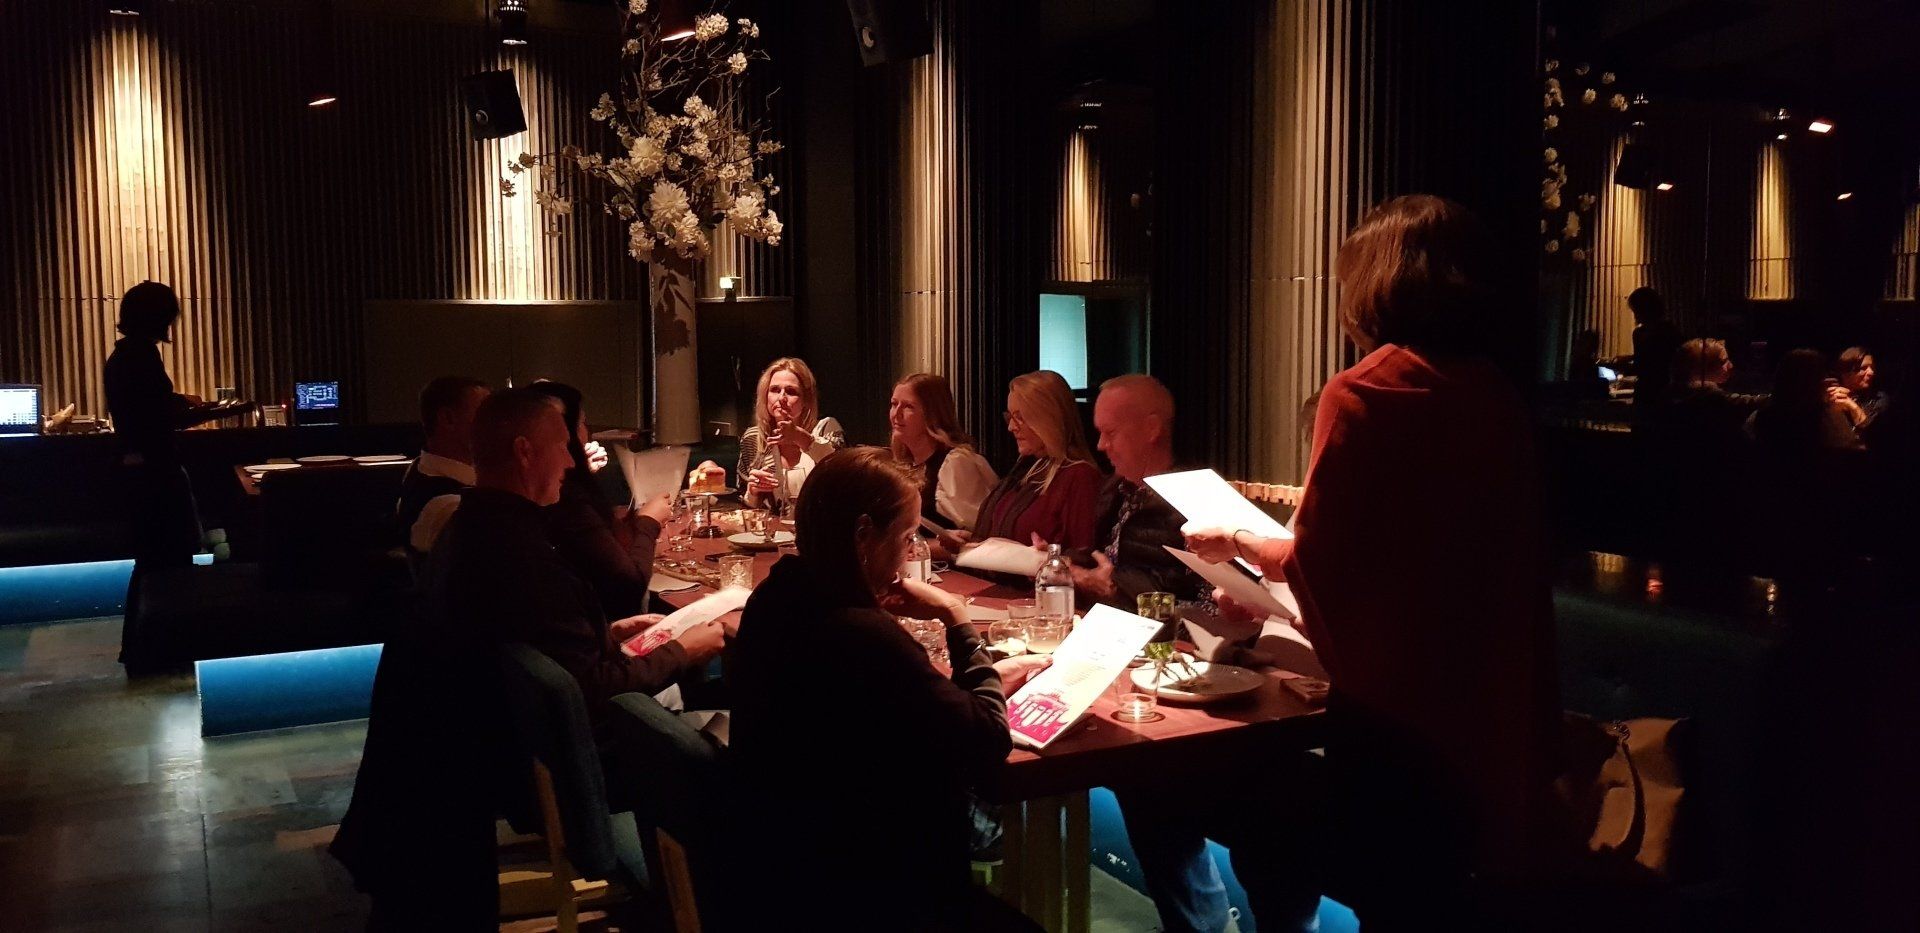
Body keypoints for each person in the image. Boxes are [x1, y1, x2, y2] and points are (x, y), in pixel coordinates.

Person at [1181, 196, 1560, 929]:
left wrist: (1235, 541)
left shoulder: (1364, 390)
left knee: (1304, 843)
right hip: (1488, 697)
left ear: (1372, 282)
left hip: (1398, 710)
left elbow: (1321, 556)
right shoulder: (1495, 391)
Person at [333, 389, 724, 929]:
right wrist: (686, 647)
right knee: (711, 752)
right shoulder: (513, 549)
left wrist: (606, 634)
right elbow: (585, 692)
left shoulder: (479, 527)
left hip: (468, 766)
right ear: (524, 452)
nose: (570, 460)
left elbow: (540, 637)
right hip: (546, 766)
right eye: (562, 446)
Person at [726, 447, 1043, 931]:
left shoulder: (777, 594)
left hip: (782, 866)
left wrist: (976, 681)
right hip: (872, 889)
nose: (911, 552)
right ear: (862, 536)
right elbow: (987, 740)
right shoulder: (859, 633)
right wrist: (956, 617)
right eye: (907, 536)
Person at [104, 281, 227, 668]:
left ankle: (144, 648)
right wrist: (211, 412)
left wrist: (184, 404)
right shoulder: (140, 358)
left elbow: (147, 407)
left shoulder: (127, 356)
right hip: (156, 478)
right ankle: (167, 649)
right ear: (158, 316)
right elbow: (157, 417)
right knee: (169, 562)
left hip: (141, 477)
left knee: (152, 563)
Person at [1055, 374, 1205, 610]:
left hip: (1164, 642)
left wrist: (1110, 586)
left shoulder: (1197, 500)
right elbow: (1103, 558)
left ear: (1151, 429)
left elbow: (1202, 604)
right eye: (1100, 433)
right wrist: (1060, 561)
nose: (1100, 445)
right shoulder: (1115, 488)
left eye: (1111, 433)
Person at [526, 381, 674, 619]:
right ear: (525, 449)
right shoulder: (565, 502)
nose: (571, 460)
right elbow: (628, 588)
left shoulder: (497, 513)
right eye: (582, 423)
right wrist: (649, 521)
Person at [958, 370, 1102, 550]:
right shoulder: (1026, 468)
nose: (1011, 427)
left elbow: (1084, 556)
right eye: (1010, 417)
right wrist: (972, 543)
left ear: (1048, 418)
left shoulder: (1079, 477)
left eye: (1019, 417)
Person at [694, 357, 844, 510]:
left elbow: (841, 474)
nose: (781, 398)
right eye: (775, 390)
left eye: (791, 392)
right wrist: (753, 492)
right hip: (773, 529)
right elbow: (748, 508)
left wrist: (799, 437)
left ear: (806, 400)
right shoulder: (753, 437)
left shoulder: (826, 428)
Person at [890, 373, 998, 529]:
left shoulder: (956, 463)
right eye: (894, 404)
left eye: (908, 406)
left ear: (932, 414)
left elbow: (975, 538)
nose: (896, 414)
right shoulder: (902, 463)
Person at [396, 376, 490, 556]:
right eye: (484, 415)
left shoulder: (420, 466)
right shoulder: (449, 508)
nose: (495, 425)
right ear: (448, 419)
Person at [1747, 349, 1863, 455]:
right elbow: (1855, 453)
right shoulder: (1827, 419)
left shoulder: (1760, 416)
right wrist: (1853, 409)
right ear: (1816, 381)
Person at [1628, 286, 1681, 418]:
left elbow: (1643, 363)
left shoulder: (1664, 332)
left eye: (1636, 310)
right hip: (1655, 390)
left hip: (1658, 390)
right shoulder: (1668, 331)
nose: (1635, 314)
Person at [1834, 346, 1887, 436]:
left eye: (1872, 367)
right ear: (1846, 373)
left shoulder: (1879, 399)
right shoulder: (1833, 395)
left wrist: (1852, 406)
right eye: (1863, 368)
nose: (1871, 372)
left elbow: (1874, 436)